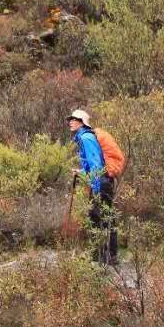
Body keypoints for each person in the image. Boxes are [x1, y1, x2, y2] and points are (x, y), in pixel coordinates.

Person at [68, 109, 118, 266]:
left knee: (100, 218)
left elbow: (96, 165)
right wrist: (81, 171)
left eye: (74, 119)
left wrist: (96, 191)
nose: (70, 121)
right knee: (100, 217)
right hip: (102, 181)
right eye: (70, 119)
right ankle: (104, 255)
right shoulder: (84, 137)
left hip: (101, 182)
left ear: (82, 122)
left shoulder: (86, 138)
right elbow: (92, 165)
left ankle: (105, 256)